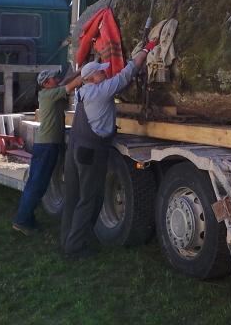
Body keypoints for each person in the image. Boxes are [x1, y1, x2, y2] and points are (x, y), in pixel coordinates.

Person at [61, 39, 157, 259]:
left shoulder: (82, 92)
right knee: (90, 198)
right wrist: (146, 50)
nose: (105, 73)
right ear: (91, 78)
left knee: (74, 196)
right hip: (91, 151)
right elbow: (127, 74)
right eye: (101, 72)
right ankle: (75, 247)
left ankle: (68, 239)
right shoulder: (101, 91)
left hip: (76, 147)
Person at [13, 68, 83, 236]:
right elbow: (72, 84)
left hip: (46, 145)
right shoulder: (48, 94)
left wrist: (79, 70)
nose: (56, 79)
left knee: (37, 183)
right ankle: (22, 221)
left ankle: (27, 218)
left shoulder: (51, 92)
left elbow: (66, 81)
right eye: (53, 78)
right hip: (47, 146)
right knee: (37, 184)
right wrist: (89, 71)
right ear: (45, 83)